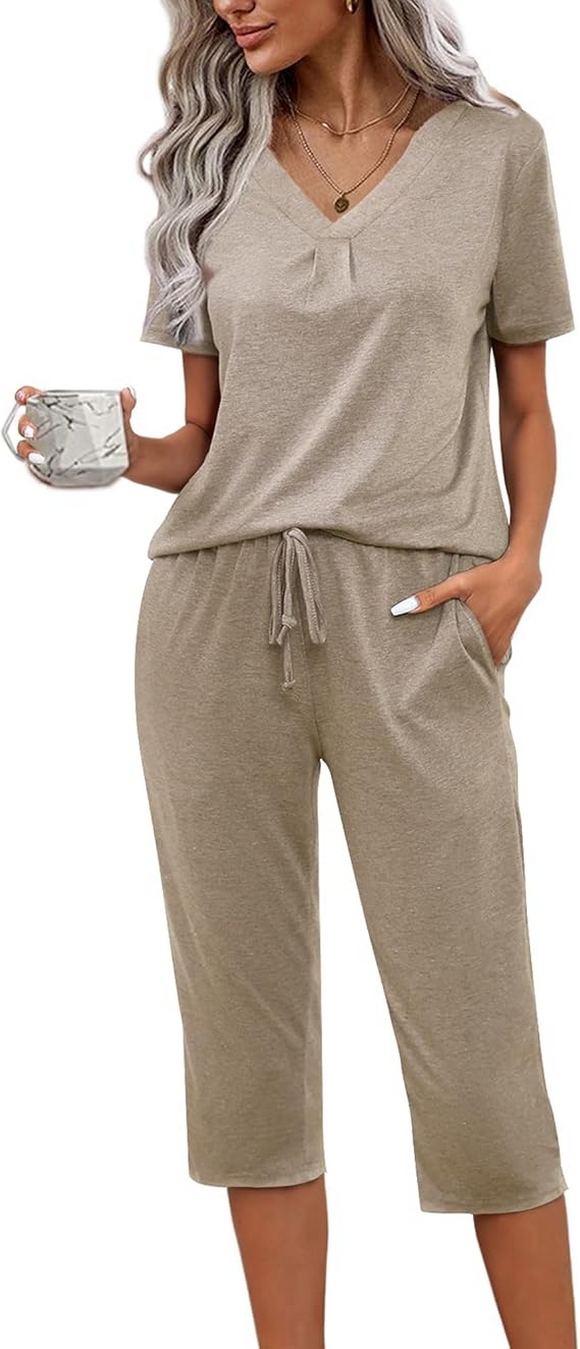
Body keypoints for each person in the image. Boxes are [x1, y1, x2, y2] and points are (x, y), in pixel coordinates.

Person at [13, 0, 577, 1345]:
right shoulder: (204, 160)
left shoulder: (495, 152)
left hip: (415, 614)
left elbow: (527, 402)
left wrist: (518, 565)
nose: (233, 3)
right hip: (213, 624)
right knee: (246, 1043)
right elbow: (206, 442)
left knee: (478, 1032)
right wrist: (113, 452)